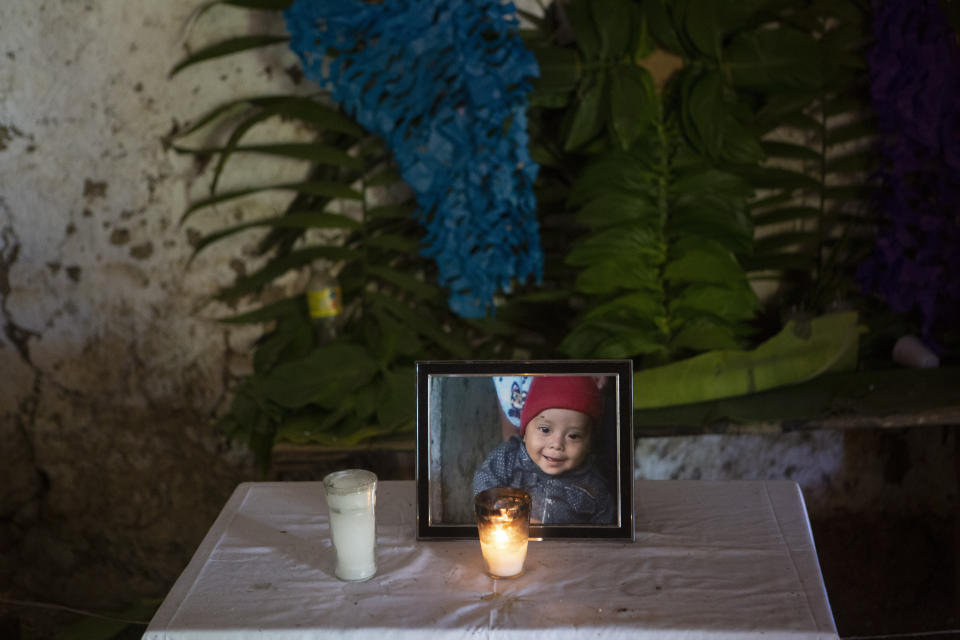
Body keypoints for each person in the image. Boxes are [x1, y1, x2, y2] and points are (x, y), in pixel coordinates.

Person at [473, 375, 615, 525]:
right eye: (545, 430)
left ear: (589, 444)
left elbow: (603, 528)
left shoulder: (594, 489)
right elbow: (485, 480)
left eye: (573, 436)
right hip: (512, 541)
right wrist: (502, 513)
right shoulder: (509, 458)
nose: (557, 444)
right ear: (525, 432)